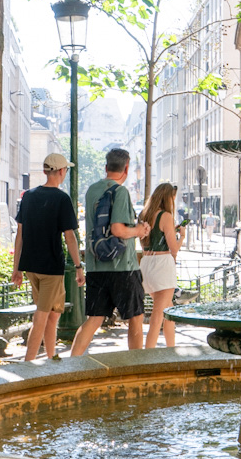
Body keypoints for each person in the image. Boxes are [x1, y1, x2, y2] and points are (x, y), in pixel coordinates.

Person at [70, 148, 150, 357]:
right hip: (123, 267)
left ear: (106, 168)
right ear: (126, 168)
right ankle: (135, 366)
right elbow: (118, 230)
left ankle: (72, 363)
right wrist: (139, 231)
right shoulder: (121, 192)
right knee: (135, 318)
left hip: (96, 266)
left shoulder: (92, 191)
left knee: (94, 319)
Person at [11, 153, 85, 360]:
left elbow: (20, 234)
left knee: (52, 315)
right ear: (61, 171)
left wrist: (16, 268)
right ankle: (28, 365)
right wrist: (79, 267)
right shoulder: (62, 199)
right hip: (51, 268)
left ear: (45, 171)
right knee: (42, 317)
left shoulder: (29, 196)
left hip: (31, 267)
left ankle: (51, 358)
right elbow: (70, 236)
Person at [139, 182, 185, 348]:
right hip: (162, 266)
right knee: (157, 316)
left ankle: (171, 349)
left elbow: (143, 243)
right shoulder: (166, 216)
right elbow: (174, 249)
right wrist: (182, 237)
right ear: (168, 198)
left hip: (146, 264)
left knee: (168, 310)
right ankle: (148, 355)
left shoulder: (144, 214)